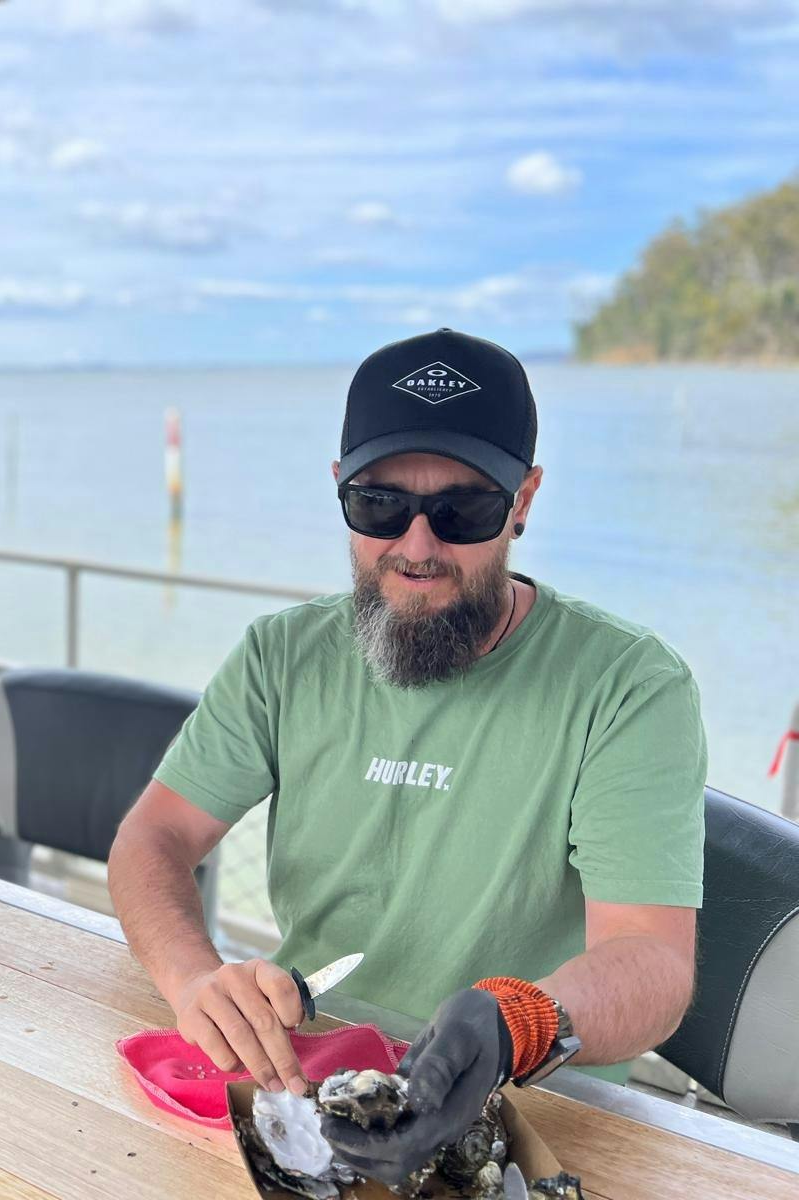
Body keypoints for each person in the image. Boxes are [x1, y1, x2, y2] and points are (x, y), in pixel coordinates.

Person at [107, 328, 705, 1184]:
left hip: (534, 1101)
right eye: (381, 505)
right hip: (309, 1073)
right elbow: (153, 836)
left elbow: (653, 961)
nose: (418, 546)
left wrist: (519, 1021)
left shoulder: (630, 685)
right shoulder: (283, 655)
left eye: (464, 511)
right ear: (340, 491)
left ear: (524, 501)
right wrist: (194, 978)